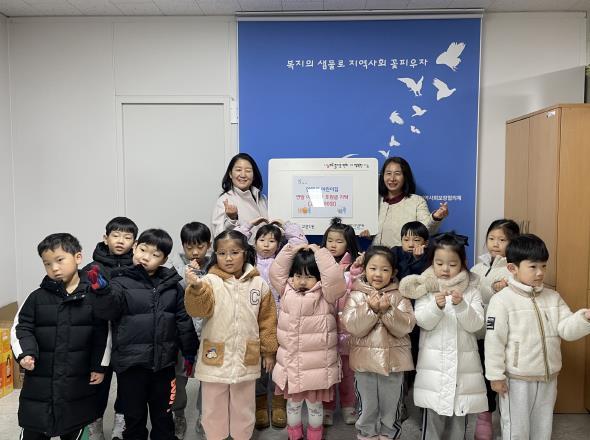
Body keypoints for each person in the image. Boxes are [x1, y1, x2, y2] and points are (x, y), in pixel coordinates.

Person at [89, 228, 198, 440]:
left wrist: (190, 352)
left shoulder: (172, 286)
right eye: (143, 250)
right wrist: (101, 291)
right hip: (131, 366)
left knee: (163, 415)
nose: (146, 257)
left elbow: (183, 321)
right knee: (133, 416)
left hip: (164, 365)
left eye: (155, 254)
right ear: (135, 248)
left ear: (164, 259)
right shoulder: (119, 282)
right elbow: (108, 310)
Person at [485, 234, 590, 440]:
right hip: (516, 379)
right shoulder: (502, 301)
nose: (540, 272)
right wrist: (495, 376)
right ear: (512, 268)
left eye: (543, 266)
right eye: (533, 267)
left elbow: (566, 329)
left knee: (543, 427)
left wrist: (584, 319)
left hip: (548, 377)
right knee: (516, 428)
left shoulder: (553, 297)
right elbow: (494, 341)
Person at [11, 233, 108, 440]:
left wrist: (99, 366)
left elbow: (103, 335)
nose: (54, 268)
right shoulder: (37, 297)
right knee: (35, 425)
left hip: (77, 379)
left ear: (78, 257)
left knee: (75, 424)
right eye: (47, 263)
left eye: (60, 260)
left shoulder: (94, 296)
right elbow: (21, 327)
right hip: (40, 380)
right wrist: (25, 353)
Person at [184, 229, 278, 440]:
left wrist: (269, 351)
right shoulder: (209, 281)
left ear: (245, 253)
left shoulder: (259, 284)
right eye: (222, 253)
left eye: (234, 252)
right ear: (215, 254)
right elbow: (197, 310)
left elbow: (267, 321)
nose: (228, 258)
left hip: (246, 355)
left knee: (244, 407)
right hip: (214, 355)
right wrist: (196, 288)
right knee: (213, 407)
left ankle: (242, 436)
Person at [399, 232, 487, 440]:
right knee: (433, 418)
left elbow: (476, 325)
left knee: (459, 417)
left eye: (452, 264)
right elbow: (422, 321)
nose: (445, 269)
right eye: (439, 263)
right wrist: (436, 307)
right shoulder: (425, 290)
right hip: (433, 370)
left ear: (463, 264)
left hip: (464, 371)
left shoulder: (471, 292)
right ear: (432, 262)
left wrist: (461, 305)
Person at [269, 243, 347, 440]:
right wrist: (290, 250)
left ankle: (315, 435)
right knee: (293, 405)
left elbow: (336, 280)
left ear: (319, 278)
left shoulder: (326, 294)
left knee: (314, 407)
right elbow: (276, 272)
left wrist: (321, 253)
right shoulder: (286, 290)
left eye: (309, 276)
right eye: (298, 275)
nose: (302, 281)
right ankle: (294, 435)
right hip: (291, 366)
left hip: (317, 368)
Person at [237, 217, 307, 430]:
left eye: (272, 241)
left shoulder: (283, 260)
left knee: (280, 362)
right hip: (253, 318)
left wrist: (285, 226)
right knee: (256, 362)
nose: (266, 245)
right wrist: (250, 224)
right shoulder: (248, 258)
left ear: (279, 244)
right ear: (254, 242)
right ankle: (259, 404)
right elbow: (235, 240)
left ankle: (278, 403)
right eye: (262, 240)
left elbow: (300, 243)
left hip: (280, 318)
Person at [341, 246, 416, 440]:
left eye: (384, 269)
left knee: (391, 405)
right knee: (367, 406)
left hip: (394, 364)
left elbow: (406, 326)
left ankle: (389, 434)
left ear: (393, 272)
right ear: (365, 269)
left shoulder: (400, 295)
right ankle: (367, 434)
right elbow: (352, 326)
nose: (378, 274)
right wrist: (371, 310)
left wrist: (389, 310)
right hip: (364, 364)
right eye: (373, 268)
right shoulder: (356, 295)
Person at [84, 216, 138, 440]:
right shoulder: (92, 269)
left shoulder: (139, 268)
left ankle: (120, 424)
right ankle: (94, 423)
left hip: (128, 335)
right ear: (105, 238)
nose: (120, 240)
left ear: (134, 243)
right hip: (99, 337)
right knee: (97, 383)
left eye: (127, 237)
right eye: (115, 235)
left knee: (128, 384)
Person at [470, 219, 519, 440]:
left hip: (504, 335)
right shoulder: (477, 267)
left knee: (505, 378)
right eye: (491, 238)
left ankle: (511, 422)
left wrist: (505, 287)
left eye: (502, 239)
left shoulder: (514, 270)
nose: (495, 243)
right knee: (484, 377)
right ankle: (484, 418)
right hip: (480, 334)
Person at [168, 221, 212, 439]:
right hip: (182, 335)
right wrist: (187, 277)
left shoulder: (216, 266)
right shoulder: (173, 269)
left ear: (208, 245)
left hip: (209, 334)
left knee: (209, 380)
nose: (195, 252)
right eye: (189, 247)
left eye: (200, 246)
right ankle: (179, 415)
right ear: (183, 246)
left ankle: (205, 416)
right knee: (179, 379)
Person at [320, 218, 360, 426]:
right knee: (327, 371)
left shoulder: (355, 267)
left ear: (348, 243)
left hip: (347, 328)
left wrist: (356, 272)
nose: (333, 245)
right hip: (324, 327)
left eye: (339, 241)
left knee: (347, 372)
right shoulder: (318, 264)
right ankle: (326, 408)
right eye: (330, 240)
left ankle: (348, 406)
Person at [360, 157, 448, 247]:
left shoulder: (417, 201)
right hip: (376, 254)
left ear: (405, 177)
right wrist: (368, 233)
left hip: (402, 255)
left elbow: (425, 230)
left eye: (397, 174)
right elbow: (374, 231)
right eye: (388, 173)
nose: (392, 178)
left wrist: (435, 218)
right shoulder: (373, 199)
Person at [211, 153, 268, 241]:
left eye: (248, 171)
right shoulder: (225, 200)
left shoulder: (262, 199)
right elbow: (219, 237)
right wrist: (232, 219)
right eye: (238, 170)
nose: (243, 175)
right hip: (244, 250)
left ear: (253, 176)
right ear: (230, 174)